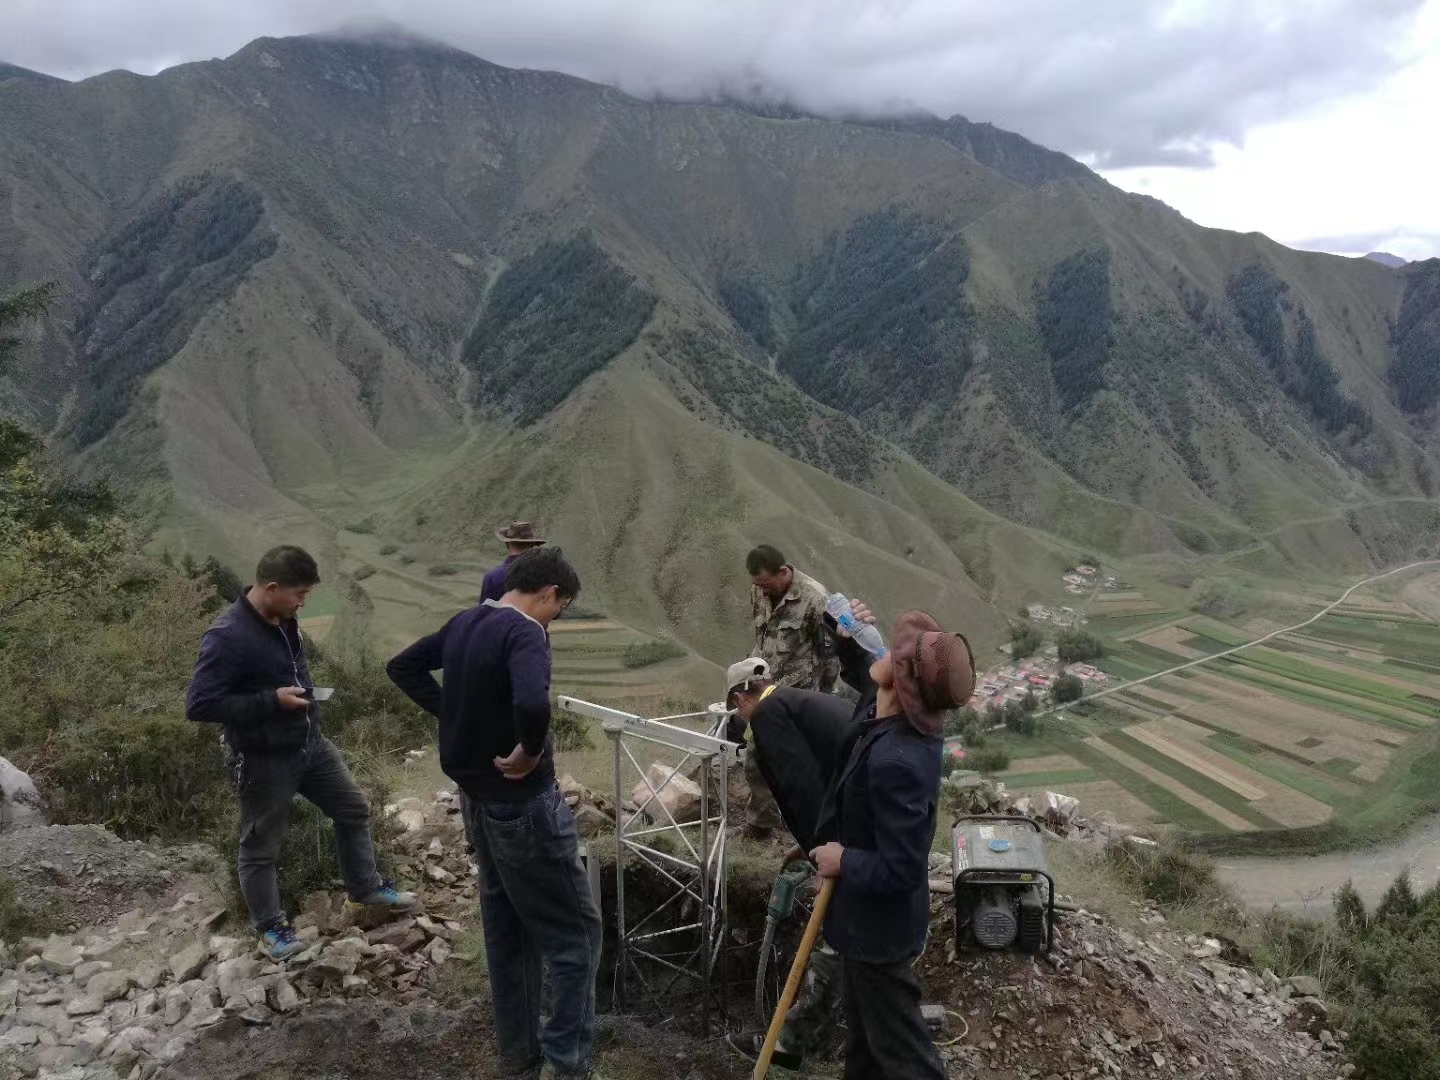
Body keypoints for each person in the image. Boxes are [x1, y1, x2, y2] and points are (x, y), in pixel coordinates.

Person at [386, 546, 604, 1080]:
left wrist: (454, 713)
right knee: (576, 936)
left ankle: (518, 1056)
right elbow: (531, 702)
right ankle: (567, 1065)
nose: (555, 619)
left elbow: (403, 666)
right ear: (549, 592)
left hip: (477, 801)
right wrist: (529, 750)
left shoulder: (465, 622)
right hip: (524, 807)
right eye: (561, 609)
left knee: (507, 929)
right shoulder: (524, 632)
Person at [185, 545, 417, 962]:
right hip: (263, 758)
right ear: (271, 587)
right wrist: (272, 700)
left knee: (353, 809)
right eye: (299, 594)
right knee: (261, 846)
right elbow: (200, 705)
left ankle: (365, 888)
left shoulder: (284, 617)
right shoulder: (227, 636)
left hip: (311, 745)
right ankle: (271, 929)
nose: (304, 603)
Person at [809, 603, 976, 1080]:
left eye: (895, 654)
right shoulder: (885, 712)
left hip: (878, 933)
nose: (882, 650)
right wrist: (844, 634)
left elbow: (902, 868)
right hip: (863, 925)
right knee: (864, 1045)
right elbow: (865, 666)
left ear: (901, 682)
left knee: (905, 1059)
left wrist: (843, 860)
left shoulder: (897, 762)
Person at [721, 656, 856, 1071]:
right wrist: (808, 846)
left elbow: (803, 789)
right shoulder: (796, 701)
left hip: (858, 838)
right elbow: (825, 777)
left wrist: (824, 857)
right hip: (867, 822)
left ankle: (788, 1047)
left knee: (838, 933)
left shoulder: (768, 716)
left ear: (740, 699)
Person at [739, 545, 840, 836]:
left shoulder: (815, 599)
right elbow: (762, 636)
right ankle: (763, 823)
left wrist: (822, 698)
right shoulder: (759, 591)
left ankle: (804, 825)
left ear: (783, 572)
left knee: (796, 760)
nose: (762, 590)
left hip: (799, 694)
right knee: (757, 754)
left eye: (766, 584)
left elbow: (830, 654)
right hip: (763, 687)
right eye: (758, 585)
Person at [480, 520, 548, 604]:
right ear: (532, 544)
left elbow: (484, 610)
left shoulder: (493, 576)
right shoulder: (546, 573)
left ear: (507, 543)